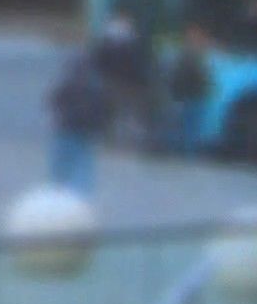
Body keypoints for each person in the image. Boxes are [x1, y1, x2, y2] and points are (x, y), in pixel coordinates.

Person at [47, 45, 111, 196]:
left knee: (62, 160)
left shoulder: (68, 83)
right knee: (82, 161)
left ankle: (57, 189)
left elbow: (54, 100)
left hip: (67, 126)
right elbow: (104, 108)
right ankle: (78, 192)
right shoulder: (96, 86)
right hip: (85, 129)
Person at [92, 11, 153, 147]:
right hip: (123, 83)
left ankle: (113, 139)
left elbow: (98, 60)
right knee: (121, 112)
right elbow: (139, 63)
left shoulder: (109, 41)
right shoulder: (132, 41)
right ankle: (118, 139)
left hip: (116, 82)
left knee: (115, 112)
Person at [165, 21, 215, 154]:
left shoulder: (188, 54)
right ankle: (186, 150)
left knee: (187, 124)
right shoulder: (192, 55)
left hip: (190, 94)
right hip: (192, 94)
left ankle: (183, 149)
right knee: (189, 125)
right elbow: (197, 75)